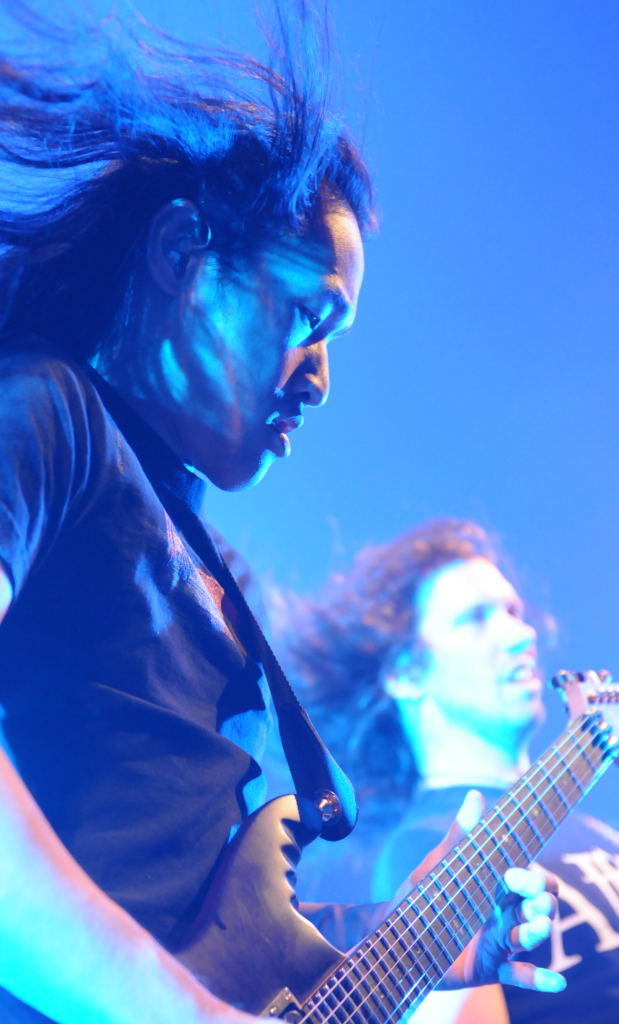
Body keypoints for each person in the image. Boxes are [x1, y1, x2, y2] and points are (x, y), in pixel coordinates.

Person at [0, 7, 563, 1024]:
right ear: (183, 252)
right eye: (309, 316)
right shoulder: (54, 415)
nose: (321, 378)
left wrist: (428, 943)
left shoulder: (211, 568)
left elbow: (213, 928)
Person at [279, 519, 619, 1023]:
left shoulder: (613, 835)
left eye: (513, 612)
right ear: (406, 673)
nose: (521, 634)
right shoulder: (426, 848)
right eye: (476, 618)